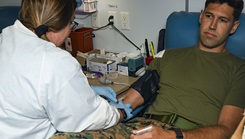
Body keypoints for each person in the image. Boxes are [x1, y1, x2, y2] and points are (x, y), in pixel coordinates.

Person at [50, 0, 245, 139]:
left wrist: (172, 135)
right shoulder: (168, 56)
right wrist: (91, 99)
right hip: (143, 129)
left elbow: (226, 129)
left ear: (234, 26)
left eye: (222, 20)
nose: (212, 26)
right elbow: (128, 102)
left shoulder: (239, 70)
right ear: (201, 17)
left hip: (186, 134)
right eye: (209, 16)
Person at [0, 0, 144, 138]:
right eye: (71, 22)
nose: (70, 30)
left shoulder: (5, 36)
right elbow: (90, 117)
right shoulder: (55, 61)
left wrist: (83, 90)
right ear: (59, 24)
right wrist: (121, 112)